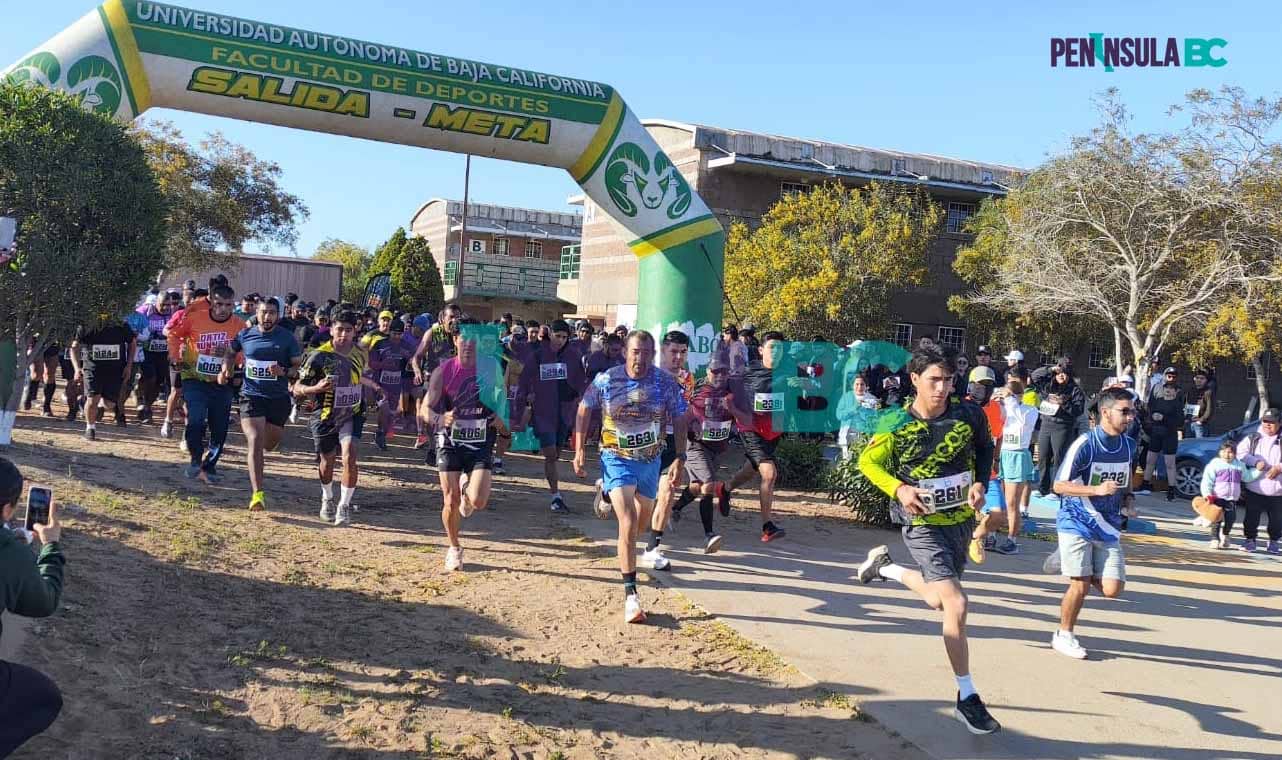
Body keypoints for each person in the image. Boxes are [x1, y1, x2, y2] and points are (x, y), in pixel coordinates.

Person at [854, 345, 999, 735]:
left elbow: (985, 448)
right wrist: (899, 488)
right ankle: (967, 696)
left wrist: (981, 483)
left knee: (938, 600)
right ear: (915, 379)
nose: (942, 388)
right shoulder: (895, 422)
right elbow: (868, 462)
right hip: (920, 523)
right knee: (957, 603)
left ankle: (886, 568)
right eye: (934, 380)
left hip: (959, 522)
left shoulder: (969, 414)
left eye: (948, 380)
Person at [573, 330, 688, 623]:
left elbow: (680, 417)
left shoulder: (664, 383)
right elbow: (584, 408)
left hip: (650, 460)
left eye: (647, 353)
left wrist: (680, 456)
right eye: (636, 351)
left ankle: (604, 492)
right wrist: (579, 448)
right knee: (627, 522)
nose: (641, 358)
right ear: (625, 352)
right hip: (616, 457)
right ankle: (631, 596)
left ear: (654, 355)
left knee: (640, 525)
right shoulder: (607, 380)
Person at [1044, 387, 1137, 660]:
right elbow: (1059, 485)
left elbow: (1126, 477)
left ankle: (1064, 558)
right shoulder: (1085, 444)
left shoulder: (1128, 445)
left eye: (1132, 411)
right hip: (1076, 521)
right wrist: (1095, 490)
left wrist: (1129, 499)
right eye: (1125, 411)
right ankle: (1064, 634)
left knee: (1112, 589)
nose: (1130, 417)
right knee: (1081, 584)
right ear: (1106, 412)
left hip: (1108, 526)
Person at [427, 319, 508, 571]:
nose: (469, 344)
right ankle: (454, 548)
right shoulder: (444, 371)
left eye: (474, 339)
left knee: (479, 501)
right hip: (450, 440)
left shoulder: (491, 367)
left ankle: (467, 490)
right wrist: (440, 418)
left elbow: (501, 397)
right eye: (464, 338)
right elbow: (424, 409)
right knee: (450, 500)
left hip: (480, 440)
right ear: (455, 340)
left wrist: (500, 416)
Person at [0, 459, 66, 756]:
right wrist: (50, 547)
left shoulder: (10, 549)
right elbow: (43, 602)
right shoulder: (9, 553)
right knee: (44, 697)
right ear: (7, 509)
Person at [295, 310, 379, 526]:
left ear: (355, 331)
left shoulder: (360, 353)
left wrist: (373, 389)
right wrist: (316, 388)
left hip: (352, 412)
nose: (343, 334)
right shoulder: (318, 355)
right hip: (325, 414)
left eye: (348, 330)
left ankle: (344, 505)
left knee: (350, 455)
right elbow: (297, 387)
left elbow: (360, 377)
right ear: (331, 330)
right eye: (339, 329)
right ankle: (327, 498)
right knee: (327, 460)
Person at [673, 349, 754, 552]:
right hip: (695, 445)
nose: (719, 376)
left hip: (716, 449)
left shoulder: (735, 392)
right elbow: (680, 418)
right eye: (715, 371)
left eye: (724, 371)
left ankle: (675, 508)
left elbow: (747, 420)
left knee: (697, 486)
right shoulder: (696, 390)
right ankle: (709, 535)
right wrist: (689, 429)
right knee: (709, 484)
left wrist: (732, 409)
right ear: (708, 370)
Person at [228, 297, 302, 512]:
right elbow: (230, 352)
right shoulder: (245, 334)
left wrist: (284, 371)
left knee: (268, 444)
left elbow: (298, 370)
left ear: (277, 315)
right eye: (263, 312)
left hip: (278, 398)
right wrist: (226, 368)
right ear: (256, 313)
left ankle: (270, 444)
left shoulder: (287, 338)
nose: (267, 316)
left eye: (271, 312)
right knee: (255, 440)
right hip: (251, 396)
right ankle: (257, 494)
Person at [167, 284, 245, 483]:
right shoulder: (195, 318)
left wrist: (232, 359)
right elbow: (174, 334)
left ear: (233, 305)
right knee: (195, 419)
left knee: (219, 427)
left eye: (228, 305)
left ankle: (209, 465)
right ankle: (195, 459)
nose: (223, 309)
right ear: (211, 303)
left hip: (223, 382)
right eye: (218, 304)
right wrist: (175, 356)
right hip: (194, 378)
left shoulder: (239, 325)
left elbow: (244, 353)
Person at [725, 331, 789, 542]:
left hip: (773, 430)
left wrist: (805, 389)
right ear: (761, 350)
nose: (776, 352)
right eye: (772, 347)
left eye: (780, 348)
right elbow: (726, 386)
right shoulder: (748, 371)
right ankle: (767, 526)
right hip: (750, 428)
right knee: (769, 473)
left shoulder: (789, 372)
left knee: (751, 469)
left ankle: (725, 488)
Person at [640, 330, 695, 571]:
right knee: (639, 499)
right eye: (674, 351)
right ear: (663, 351)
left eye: (683, 352)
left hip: (673, 442)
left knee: (667, 492)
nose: (678, 357)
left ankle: (652, 549)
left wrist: (682, 453)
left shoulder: (688, 379)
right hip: (646, 440)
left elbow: (684, 414)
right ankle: (607, 489)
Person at [521, 319, 586, 512]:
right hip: (544, 411)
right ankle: (555, 496)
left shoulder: (573, 356)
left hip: (564, 412)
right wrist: (528, 394)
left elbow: (580, 381)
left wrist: (579, 396)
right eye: (558, 336)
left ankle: (554, 490)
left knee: (555, 455)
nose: (561, 340)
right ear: (550, 334)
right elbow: (525, 379)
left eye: (564, 337)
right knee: (550, 454)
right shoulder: (538, 355)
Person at [971, 372, 1039, 560]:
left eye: (1011, 395)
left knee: (1011, 503)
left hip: (1018, 455)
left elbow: (1019, 419)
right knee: (998, 500)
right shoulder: (1002, 408)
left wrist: (1010, 400)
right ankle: (992, 535)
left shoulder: (1029, 411)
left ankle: (1012, 540)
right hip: (1001, 454)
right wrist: (995, 400)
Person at [70, 315, 136, 440]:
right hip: (92, 368)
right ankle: (90, 428)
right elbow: (74, 347)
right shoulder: (87, 325)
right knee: (92, 399)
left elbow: (132, 343)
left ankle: (86, 403)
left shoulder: (120, 324)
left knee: (109, 404)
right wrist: (77, 368)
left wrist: (129, 366)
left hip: (115, 370)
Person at [412, 304, 462, 457]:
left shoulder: (462, 335)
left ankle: (448, 447)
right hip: (432, 381)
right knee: (430, 416)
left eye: (457, 317)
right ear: (443, 318)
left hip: (453, 383)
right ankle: (433, 447)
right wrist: (417, 371)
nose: (454, 320)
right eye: (451, 317)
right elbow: (417, 357)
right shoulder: (432, 333)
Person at [1032, 360, 1086, 499]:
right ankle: (1042, 488)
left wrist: (1064, 403)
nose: (1061, 375)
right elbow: (1035, 376)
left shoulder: (1075, 390)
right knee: (1043, 457)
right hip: (1046, 424)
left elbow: (1078, 410)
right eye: (1059, 372)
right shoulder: (1048, 384)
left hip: (1063, 427)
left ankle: (1056, 490)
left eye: (1065, 373)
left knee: (1058, 459)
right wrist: (1051, 369)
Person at [1236, 408, 1282, 554]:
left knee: (1277, 520)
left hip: (1278, 491)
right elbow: (1240, 453)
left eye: (1272, 422)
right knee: (1251, 517)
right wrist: (1255, 462)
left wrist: (1279, 468)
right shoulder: (1253, 437)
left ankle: (1274, 541)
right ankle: (1250, 540)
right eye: (1265, 421)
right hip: (1255, 488)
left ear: (1279, 423)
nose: (1268, 424)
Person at [1200, 439, 1260, 550]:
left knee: (1231, 519)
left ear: (1235, 454)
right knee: (1216, 519)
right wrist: (1207, 494)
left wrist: (1259, 470)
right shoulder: (1214, 465)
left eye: (1230, 452)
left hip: (1231, 499)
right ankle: (1215, 539)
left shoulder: (1239, 466)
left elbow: (1247, 477)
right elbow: (1207, 481)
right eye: (1224, 451)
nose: (1227, 455)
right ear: (1219, 452)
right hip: (1217, 498)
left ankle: (1225, 534)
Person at [1137, 367, 1185, 501]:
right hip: (1156, 431)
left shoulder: (1178, 397)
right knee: (1150, 459)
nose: (1171, 378)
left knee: (1170, 462)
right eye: (1169, 376)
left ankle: (1171, 490)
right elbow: (1150, 407)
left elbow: (1180, 420)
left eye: (1173, 376)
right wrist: (1151, 418)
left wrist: (1164, 418)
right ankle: (1145, 484)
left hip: (1170, 433)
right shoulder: (1157, 391)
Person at [1189, 370, 1215, 438]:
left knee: (1200, 443)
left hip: (1200, 425)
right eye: (1197, 378)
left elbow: (1209, 409)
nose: (1199, 380)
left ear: (1206, 380)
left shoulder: (1208, 392)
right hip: (1189, 423)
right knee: (1188, 443)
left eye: (1202, 378)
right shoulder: (1191, 390)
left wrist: (1201, 420)